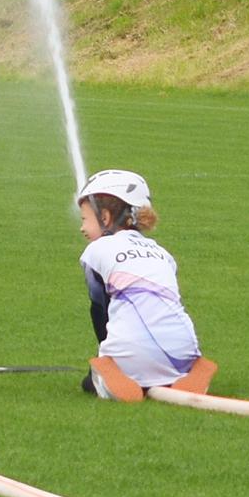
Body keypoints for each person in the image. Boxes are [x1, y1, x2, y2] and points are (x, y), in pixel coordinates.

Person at [76, 168, 214, 402]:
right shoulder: (163, 253)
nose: (82, 228)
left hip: (130, 354)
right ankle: (193, 367)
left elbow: (100, 309)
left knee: (90, 380)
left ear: (105, 218)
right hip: (182, 350)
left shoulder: (97, 251)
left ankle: (117, 371)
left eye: (84, 220)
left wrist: (107, 354)